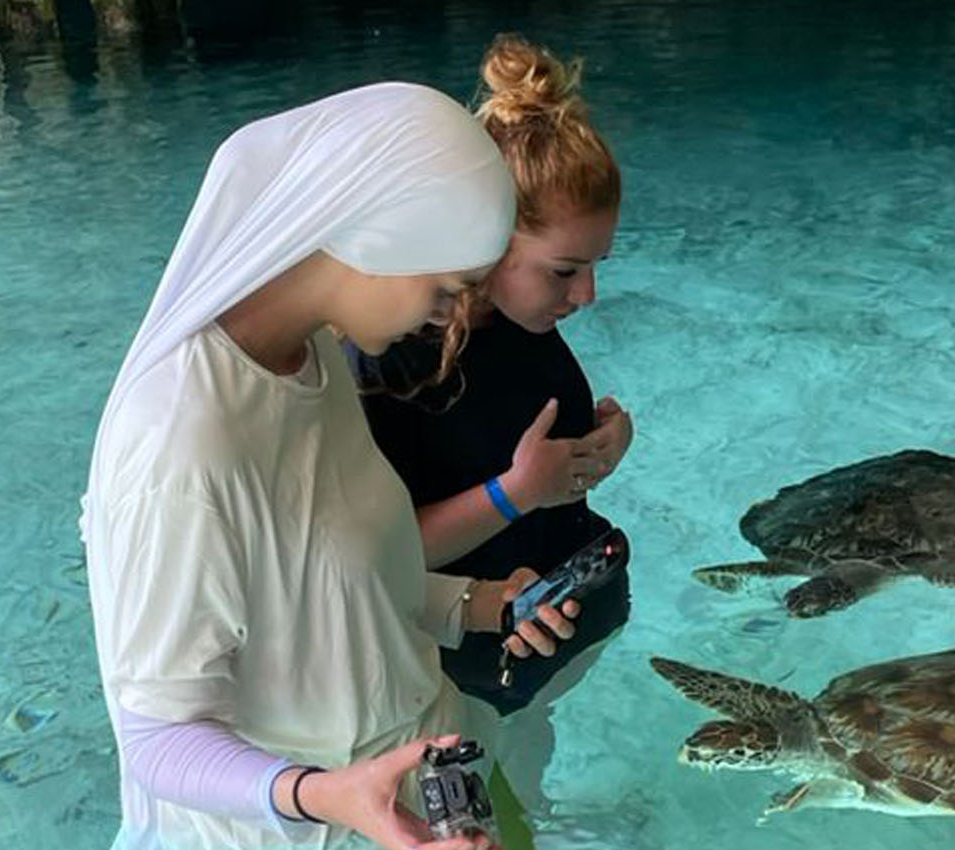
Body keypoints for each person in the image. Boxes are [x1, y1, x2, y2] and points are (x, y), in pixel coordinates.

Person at [80, 81, 584, 850]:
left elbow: (325, 585)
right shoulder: (180, 443)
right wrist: (323, 795)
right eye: (446, 289)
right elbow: (157, 740)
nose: (450, 316)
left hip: (432, 777)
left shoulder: (311, 356)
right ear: (375, 242)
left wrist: (479, 605)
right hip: (311, 826)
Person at [347, 36, 630, 840]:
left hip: (544, 630)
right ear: (490, 240)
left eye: (597, 265)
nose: (588, 293)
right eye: (565, 269)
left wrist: (602, 448)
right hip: (457, 656)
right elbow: (376, 552)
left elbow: (543, 458)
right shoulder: (397, 352)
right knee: (467, 822)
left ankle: (532, 805)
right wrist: (517, 492)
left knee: (521, 767)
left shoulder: (525, 319)